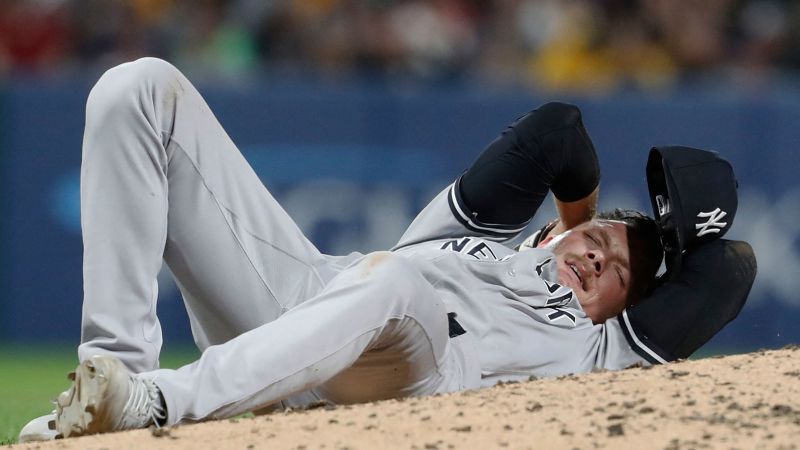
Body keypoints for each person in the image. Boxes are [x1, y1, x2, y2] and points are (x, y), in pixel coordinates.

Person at [18, 58, 754, 442]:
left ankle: (158, 403)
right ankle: (110, 390)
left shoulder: (603, 352)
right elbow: (558, 131)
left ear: (625, 311)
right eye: (598, 244)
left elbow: (731, 269)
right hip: (297, 308)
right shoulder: (479, 236)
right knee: (139, 89)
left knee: (394, 283)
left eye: (618, 274)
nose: (599, 260)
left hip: (407, 380)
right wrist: (582, 221)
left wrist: (666, 241)